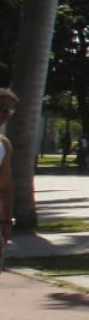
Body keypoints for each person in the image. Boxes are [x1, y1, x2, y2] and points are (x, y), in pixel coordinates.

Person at [0, 88, 16, 270]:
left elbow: (6, 187)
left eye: (9, 109)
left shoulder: (3, 145)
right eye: (2, 108)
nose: (5, 114)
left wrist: (6, 222)